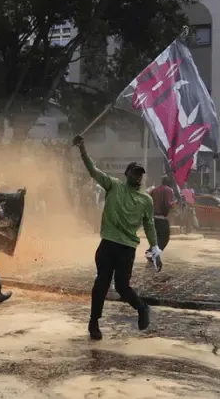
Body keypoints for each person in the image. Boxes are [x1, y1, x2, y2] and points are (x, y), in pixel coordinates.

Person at [72, 135, 159, 341]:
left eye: (140, 174)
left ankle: (141, 308)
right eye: (134, 172)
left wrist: (155, 248)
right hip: (108, 244)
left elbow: (149, 223)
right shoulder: (114, 186)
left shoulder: (146, 199)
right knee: (101, 283)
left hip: (127, 248)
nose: (138, 176)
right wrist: (83, 148)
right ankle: (94, 323)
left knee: (122, 286)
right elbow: (93, 170)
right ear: (127, 173)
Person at [149, 175, 175, 251]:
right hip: (162, 219)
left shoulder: (155, 189)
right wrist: (176, 202)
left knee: (156, 238)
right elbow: (169, 204)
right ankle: (152, 252)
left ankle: (152, 252)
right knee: (164, 238)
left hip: (153, 218)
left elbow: (148, 199)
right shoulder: (168, 190)